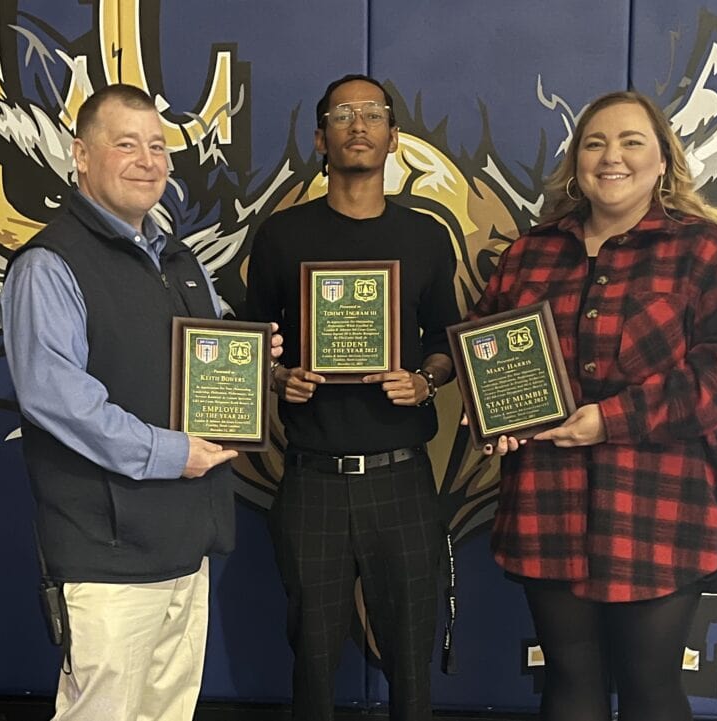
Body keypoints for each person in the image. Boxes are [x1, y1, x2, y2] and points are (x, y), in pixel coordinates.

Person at [469, 90, 717, 721]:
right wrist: (489, 410)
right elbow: (486, 341)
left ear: (663, 160)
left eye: (632, 142)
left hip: (664, 502)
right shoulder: (528, 254)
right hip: (546, 497)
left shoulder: (710, 253)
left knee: (650, 686)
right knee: (568, 681)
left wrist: (611, 420)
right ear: (576, 162)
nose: (612, 157)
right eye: (595, 143)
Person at [0, 83, 281, 721]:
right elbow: (55, 397)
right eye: (126, 144)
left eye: (157, 146)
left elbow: (205, 364)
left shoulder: (181, 261)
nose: (147, 161)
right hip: (107, 553)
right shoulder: (49, 265)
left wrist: (251, 359)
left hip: (186, 541)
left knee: (168, 712)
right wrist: (171, 452)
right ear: (81, 155)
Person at [244, 74, 459, 721]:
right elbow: (249, 347)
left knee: (412, 660)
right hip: (312, 477)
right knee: (311, 661)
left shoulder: (426, 237)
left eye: (372, 114)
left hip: (402, 478)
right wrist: (278, 378)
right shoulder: (281, 237)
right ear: (320, 138)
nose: (357, 125)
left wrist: (424, 380)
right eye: (342, 115)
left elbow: (448, 344)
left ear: (394, 137)